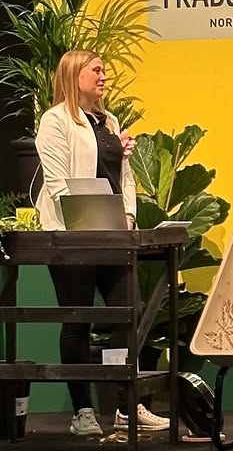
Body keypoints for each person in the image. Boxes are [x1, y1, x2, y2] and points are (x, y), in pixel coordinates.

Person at [34, 50, 169, 437]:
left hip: (112, 234)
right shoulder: (56, 120)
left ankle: (126, 406)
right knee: (77, 320)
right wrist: (90, 222)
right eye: (96, 70)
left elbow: (123, 176)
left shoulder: (109, 120)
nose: (103, 76)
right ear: (74, 75)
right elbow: (58, 183)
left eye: (104, 70)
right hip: (71, 236)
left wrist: (128, 216)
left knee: (128, 314)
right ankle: (83, 412)